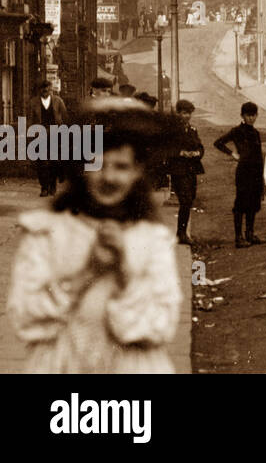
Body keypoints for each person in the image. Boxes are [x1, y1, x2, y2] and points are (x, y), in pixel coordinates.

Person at [5, 98, 183, 373]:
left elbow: (159, 326)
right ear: (81, 169)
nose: (108, 177)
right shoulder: (48, 232)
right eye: (97, 164)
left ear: (137, 172)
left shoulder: (152, 240)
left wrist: (124, 269)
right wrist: (88, 272)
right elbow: (26, 317)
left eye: (121, 167)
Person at [213, 102, 265, 248]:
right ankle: (238, 238)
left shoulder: (256, 133)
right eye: (248, 115)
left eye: (253, 115)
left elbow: (258, 155)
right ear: (242, 116)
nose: (251, 118)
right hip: (243, 171)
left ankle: (250, 233)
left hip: (256, 171)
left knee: (254, 203)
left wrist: (262, 176)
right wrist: (232, 154)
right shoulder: (236, 131)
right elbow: (218, 143)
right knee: (241, 203)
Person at [167, 100, 205, 245]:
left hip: (191, 169)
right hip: (178, 170)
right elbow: (166, 149)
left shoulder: (192, 130)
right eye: (183, 113)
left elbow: (201, 147)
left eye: (189, 113)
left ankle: (181, 233)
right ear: (178, 113)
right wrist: (181, 153)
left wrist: (196, 153)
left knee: (190, 200)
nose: (186, 116)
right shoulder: (171, 130)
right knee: (185, 200)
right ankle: (181, 233)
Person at [30, 80, 68, 197]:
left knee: (54, 162)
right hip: (40, 135)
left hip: (55, 134)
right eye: (43, 90)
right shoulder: (33, 102)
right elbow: (30, 120)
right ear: (39, 90)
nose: (45, 92)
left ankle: (53, 185)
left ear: (51, 90)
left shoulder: (58, 101)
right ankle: (44, 187)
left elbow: (64, 117)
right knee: (42, 162)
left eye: (47, 90)